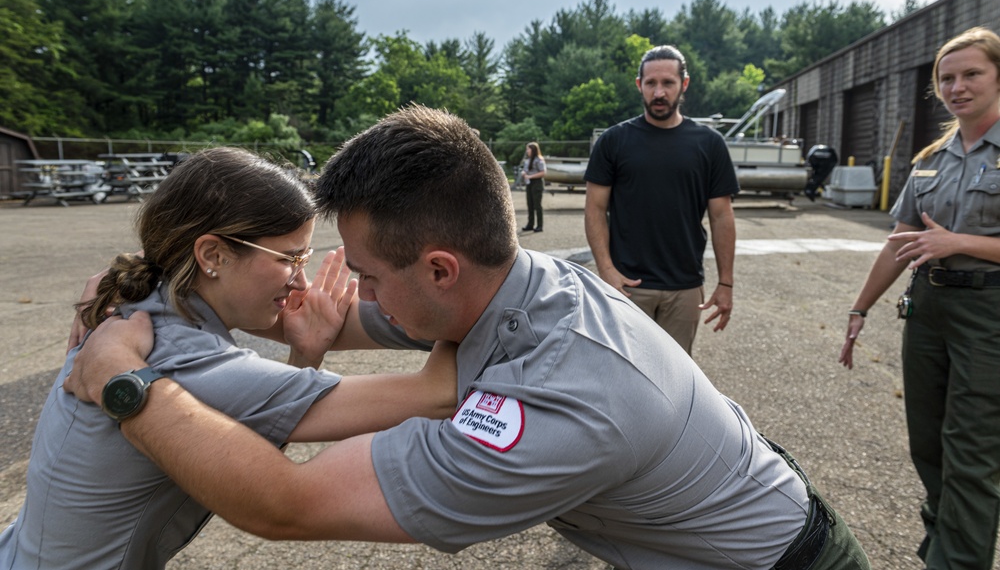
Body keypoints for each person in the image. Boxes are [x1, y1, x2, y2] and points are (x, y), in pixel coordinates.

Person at [66, 106, 870, 570]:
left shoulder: (564, 404)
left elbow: (284, 504)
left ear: (441, 268)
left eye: (368, 274)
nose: (358, 293)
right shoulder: (508, 285)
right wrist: (270, 314)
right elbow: (334, 318)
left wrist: (124, 383)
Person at [0, 147, 456, 570]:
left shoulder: (146, 299)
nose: (301, 283)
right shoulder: (179, 354)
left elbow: (238, 434)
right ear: (213, 254)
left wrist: (307, 351)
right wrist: (464, 291)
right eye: (289, 259)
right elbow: (437, 394)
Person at [840, 26, 1000, 570]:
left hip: (989, 314)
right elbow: (899, 243)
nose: (958, 87)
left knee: (972, 452)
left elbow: (938, 241)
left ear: (997, 76)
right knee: (928, 444)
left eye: (972, 73)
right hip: (929, 311)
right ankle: (945, 545)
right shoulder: (932, 157)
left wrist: (959, 242)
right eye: (947, 78)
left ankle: (957, 562)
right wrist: (860, 307)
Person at [584, 45, 739, 355]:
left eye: (667, 83)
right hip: (627, 286)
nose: (659, 92)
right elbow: (595, 209)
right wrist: (607, 271)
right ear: (639, 84)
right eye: (651, 83)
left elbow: (722, 216)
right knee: (623, 376)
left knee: (676, 382)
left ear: (684, 84)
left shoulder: (709, 143)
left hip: (684, 288)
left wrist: (726, 283)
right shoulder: (614, 141)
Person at [521, 141, 546, 232]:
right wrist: (524, 173)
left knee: (537, 205)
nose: (527, 151)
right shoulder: (528, 160)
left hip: (537, 183)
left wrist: (530, 176)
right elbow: (525, 170)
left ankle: (540, 225)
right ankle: (530, 224)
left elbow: (543, 173)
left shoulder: (539, 160)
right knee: (530, 204)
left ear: (533, 150)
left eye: (528, 149)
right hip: (529, 184)